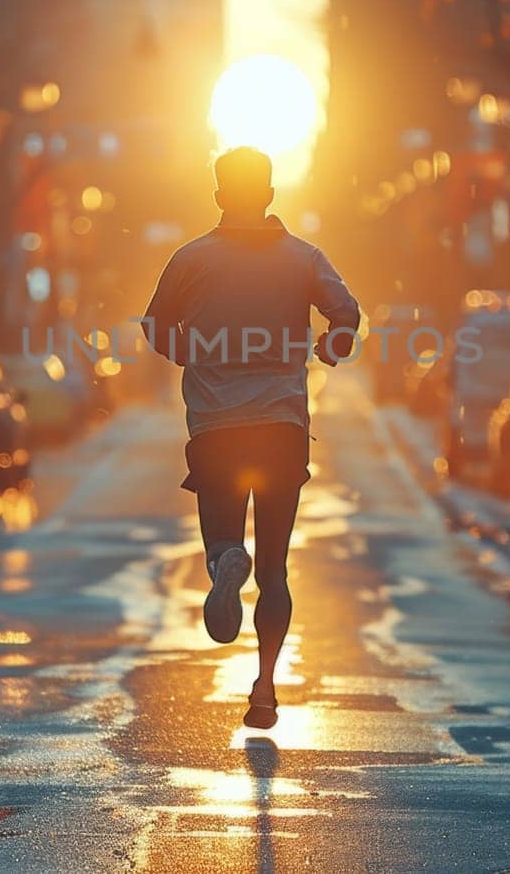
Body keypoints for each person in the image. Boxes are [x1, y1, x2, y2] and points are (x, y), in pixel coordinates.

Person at [142, 146, 360, 729]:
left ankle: (222, 561)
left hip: (215, 427)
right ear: (268, 193)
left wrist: (192, 352)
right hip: (281, 428)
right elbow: (346, 314)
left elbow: (155, 325)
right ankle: (264, 686)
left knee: (222, 539)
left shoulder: (191, 259)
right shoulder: (303, 259)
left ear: (218, 195)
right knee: (276, 572)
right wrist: (329, 348)